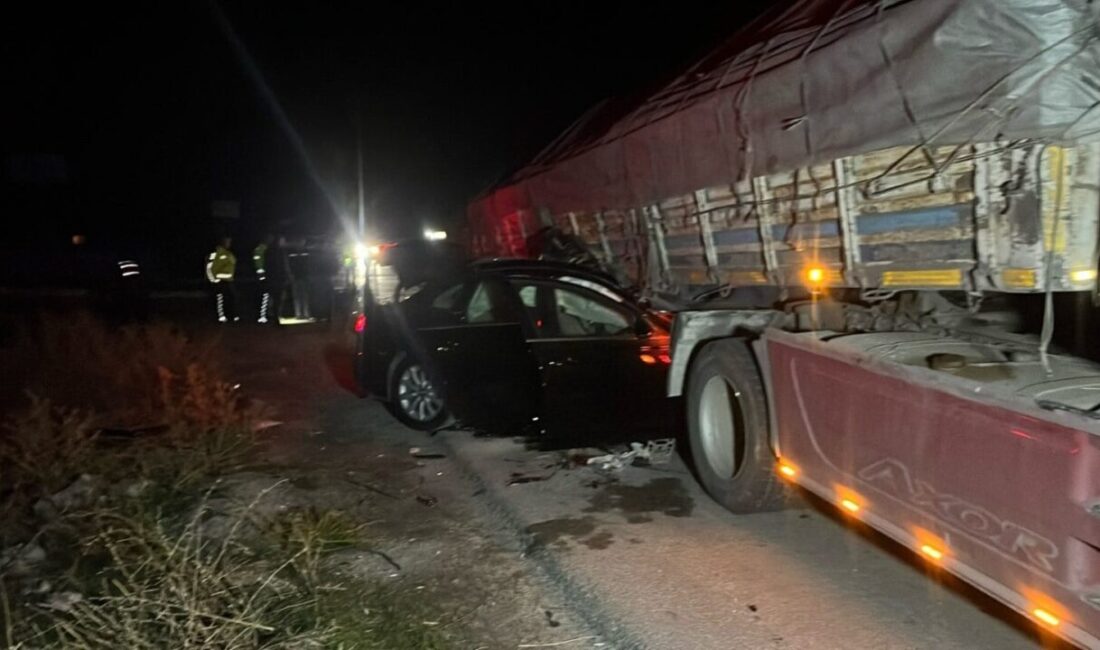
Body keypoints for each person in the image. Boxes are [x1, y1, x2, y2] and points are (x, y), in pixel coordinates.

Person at [252, 234, 287, 324]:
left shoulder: (268, 250)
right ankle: (265, 316)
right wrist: (262, 277)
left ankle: (269, 315)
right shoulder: (263, 249)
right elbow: (259, 264)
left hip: (270, 277)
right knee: (267, 297)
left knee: (270, 298)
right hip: (269, 278)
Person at [205, 236, 238, 322]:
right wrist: (213, 280)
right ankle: (221, 317)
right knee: (220, 300)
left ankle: (231, 316)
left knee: (231, 299)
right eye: (227, 241)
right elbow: (208, 268)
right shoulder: (214, 254)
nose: (229, 243)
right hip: (219, 282)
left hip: (228, 281)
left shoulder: (228, 254)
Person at [286, 239, 312, 320]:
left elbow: (308, 265)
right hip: (296, 277)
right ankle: (298, 314)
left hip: (304, 277)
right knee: (297, 297)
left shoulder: (306, 253)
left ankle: (306, 314)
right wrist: (290, 275)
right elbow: (289, 266)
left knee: (304, 296)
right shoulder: (292, 253)